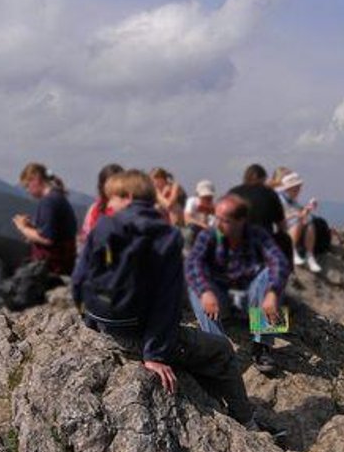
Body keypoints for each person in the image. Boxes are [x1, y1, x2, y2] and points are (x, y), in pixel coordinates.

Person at [71, 170, 257, 427]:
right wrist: (155, 354)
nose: (108, 204)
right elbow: (176, 290)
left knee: (265, 305)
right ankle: (249, 408)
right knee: (222, 342)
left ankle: (260, 346)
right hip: (146, 327)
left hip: (102, 319)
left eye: (111, 198)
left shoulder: (105, 225)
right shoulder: (181, 235)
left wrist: (90, 320)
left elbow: (80, 279)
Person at [185, 194, 291, 373]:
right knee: (195, 286)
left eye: (224, 220)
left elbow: (280, 262)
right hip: (220, 303)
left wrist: (272, 293)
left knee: (270, 275)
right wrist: (205, 292)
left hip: (250, 302)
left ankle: (263, 345)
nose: (217, 223)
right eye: (216, 217)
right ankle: (218, 350)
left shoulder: (257, 234)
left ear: (241, 221)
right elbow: (193, 263)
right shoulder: (209, 235)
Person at [0, 163, 77, 311]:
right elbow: (54, 234)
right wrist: (31, 227)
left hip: (48, 263)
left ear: (36, 179)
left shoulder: (49, 201)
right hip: (61, 262)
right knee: (8, 253)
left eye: (27, 186)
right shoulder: (58, 198)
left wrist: (22, 227)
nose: (28, 191)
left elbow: (47, 239)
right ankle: (7, 296)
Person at [228, 164, 290, 257]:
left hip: (235, 241)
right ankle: (287, 268)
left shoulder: (233, 192)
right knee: (285, 238)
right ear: (263, 179)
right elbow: (282, 225)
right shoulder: (269, 193)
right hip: (262, 242)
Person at [276, 172, 322, 273]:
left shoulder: (292, 200)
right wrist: (296, 215)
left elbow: (301, 213)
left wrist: (308, 209)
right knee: (299, 220)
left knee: (309, 221)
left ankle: (309, 255)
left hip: (293, 226)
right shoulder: (279, 199)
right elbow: (278, 217)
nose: (299, 191)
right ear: (289, 188)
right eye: (297, 188)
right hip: (282, 228)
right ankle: (292, 251)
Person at [79, 163, 124, 245]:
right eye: (108, 184)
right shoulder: (95, 208)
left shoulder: (126, 208)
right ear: (102, 186)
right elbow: (85, 234)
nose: (111, 188)